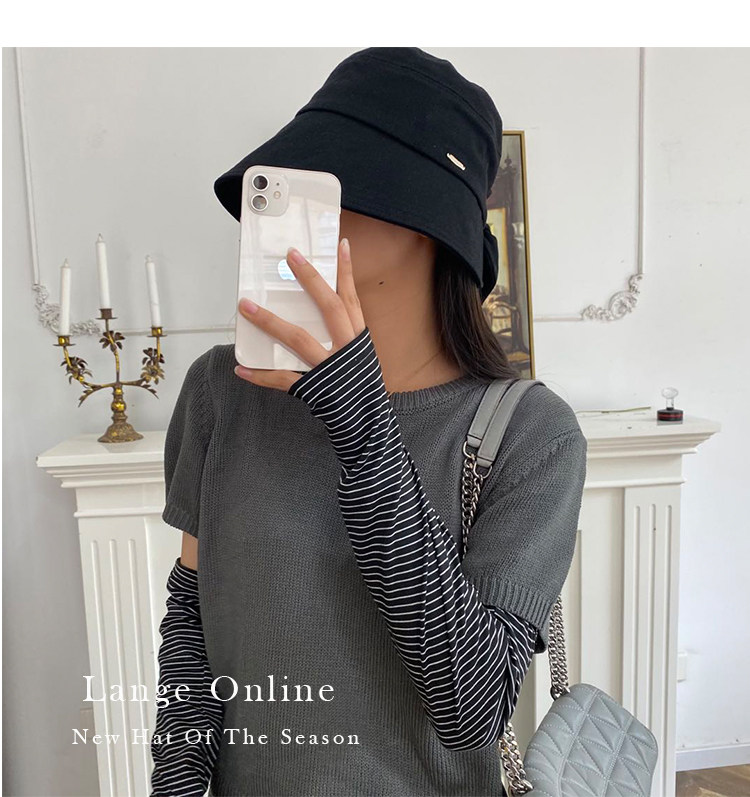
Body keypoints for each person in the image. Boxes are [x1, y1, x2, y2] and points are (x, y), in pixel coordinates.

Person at [150, 48, 587, 797]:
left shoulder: (532, 435)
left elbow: (474, 706)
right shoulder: (221, 390)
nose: (290, 213)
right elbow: (192, 612)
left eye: (325, 181)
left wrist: (359, 420)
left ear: (425, 221)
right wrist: (178, 782)